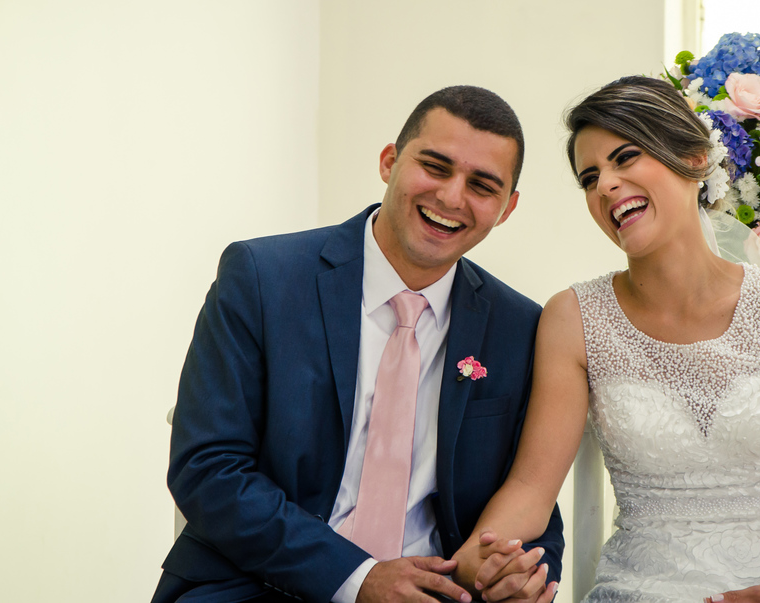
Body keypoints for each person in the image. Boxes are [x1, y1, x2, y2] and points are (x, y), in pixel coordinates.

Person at [456, 76, 760, 603]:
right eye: (590, 177)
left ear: (696, 160)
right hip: (644, 587)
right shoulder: (573, 318)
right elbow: (530, 487)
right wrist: (483, 551)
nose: (605, 185)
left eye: (625, 158)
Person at [151, 86, 563, 603]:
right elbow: (208, 467)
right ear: (390, 161)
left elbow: (533, 499)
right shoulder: (262, 279)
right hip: (257, 584)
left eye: (482, 185)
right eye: (435, 167)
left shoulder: (520, 327)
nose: (452, 197)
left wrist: (521, 575)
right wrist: (357, 577)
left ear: (507, 208)